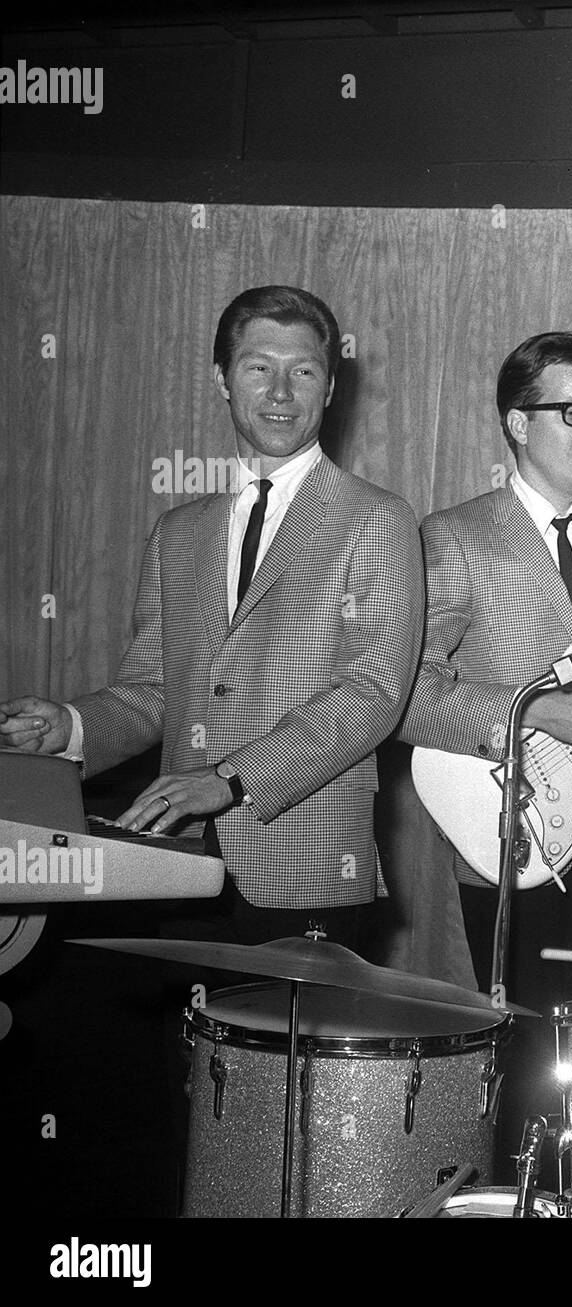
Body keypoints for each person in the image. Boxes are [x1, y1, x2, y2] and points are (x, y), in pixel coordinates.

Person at [0, 285, 423, 946]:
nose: (281, 391)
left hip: (304, 872)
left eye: (303, 370)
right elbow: (155, 693)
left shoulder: (376, 518)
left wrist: (227, 780)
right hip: (182, 863)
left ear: (331, 387)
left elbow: (371, 696)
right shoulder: (178, 533)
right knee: (186, 1053)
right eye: (259, 367)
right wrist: (73, 726)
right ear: (221, 380)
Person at [398, 331, 572, 1171]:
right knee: (531, 1060)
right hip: (513, 823)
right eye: (571, 411)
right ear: (516, 424)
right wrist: (533, 714)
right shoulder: (451, 536)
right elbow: (404, 691)